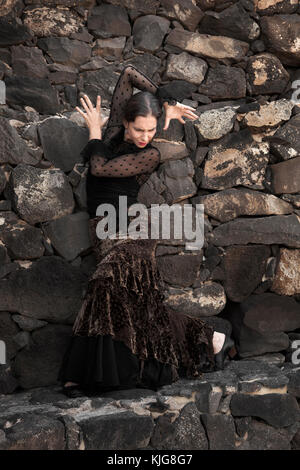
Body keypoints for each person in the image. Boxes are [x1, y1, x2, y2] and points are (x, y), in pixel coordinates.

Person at [58, 64, 234, 398]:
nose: (144, 137)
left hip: (132, 235)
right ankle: (213, 338)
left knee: (103, 285)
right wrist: (165, 102)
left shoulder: (149, 155)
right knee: (141, 312)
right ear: (125, 121)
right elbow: (127, 74)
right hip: (104, 236)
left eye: (151, 130)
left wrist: (93, 134)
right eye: (139, 129)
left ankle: (80, 376)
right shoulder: (113, 135)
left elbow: (101, 168)